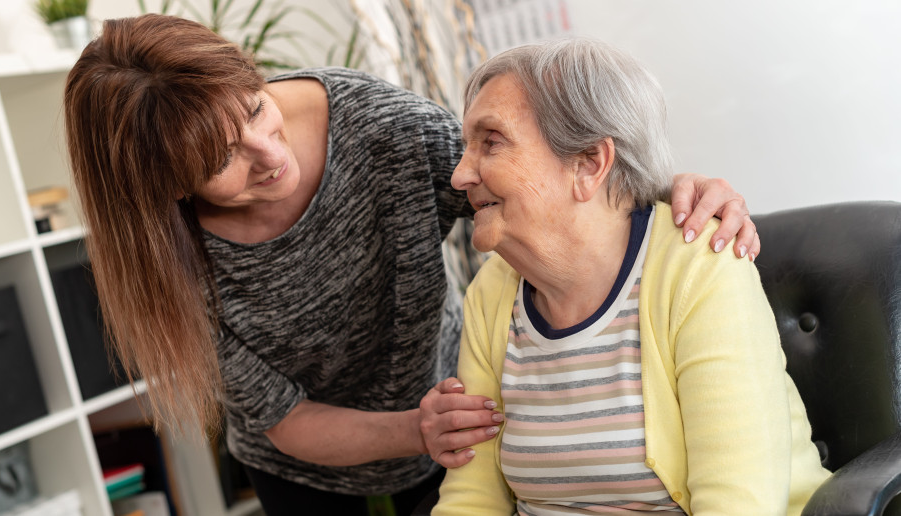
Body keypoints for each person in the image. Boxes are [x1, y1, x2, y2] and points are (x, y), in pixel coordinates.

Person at [63, 14, 762, 516]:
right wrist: (414, 428)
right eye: (222, 160)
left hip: (450, 438)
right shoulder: (168, 257)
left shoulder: (378, 128)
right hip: (307, 470)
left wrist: (673, 190)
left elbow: (526, 178)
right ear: (171, 190)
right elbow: (285, 417)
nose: (269, 154)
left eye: (256, 108)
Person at [432, 38, 830, 515]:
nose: (459, 175)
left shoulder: (695, 268)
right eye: (466, 147)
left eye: (490, 142)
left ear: (588, 163)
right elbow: (471, 499)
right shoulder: (492, 293)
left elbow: (738, 504)